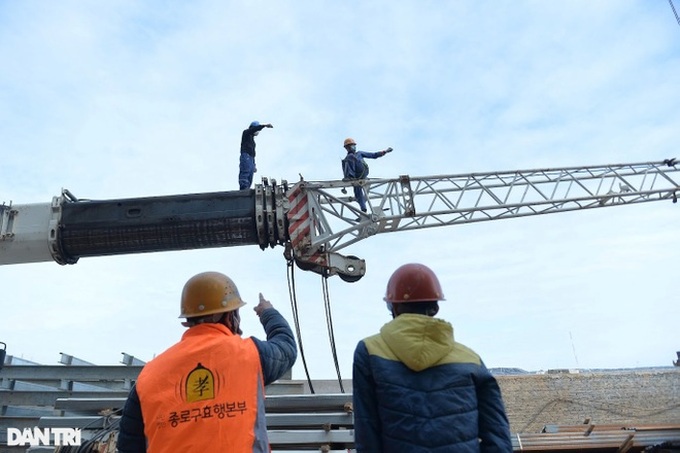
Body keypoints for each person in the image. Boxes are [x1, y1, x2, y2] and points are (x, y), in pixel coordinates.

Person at [117, 271, 297, 453]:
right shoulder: (250, 355)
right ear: (229, 317)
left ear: (187, 321)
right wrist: (268, 312)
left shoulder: (149, 375)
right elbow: (286, 347)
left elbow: (128, 446)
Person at [352, 263, 512, 453]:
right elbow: (497, 436)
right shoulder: (470, 360)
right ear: (435, 307)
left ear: (393, 306)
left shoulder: (370, 351)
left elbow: (366, 431)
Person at [341, 137, 392, 212]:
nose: (353, 147)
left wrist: (384, 152)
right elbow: (346, 167)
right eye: (351, 146)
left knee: (349, 157)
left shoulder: (359, 154)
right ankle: (363, 210)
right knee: (358, 193)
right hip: (357, 177)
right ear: (347, 148)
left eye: (353, 145)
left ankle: (350, 176)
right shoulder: (347, 159)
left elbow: (373, 155)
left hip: (362, 171)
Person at [239, 120, 273, 190]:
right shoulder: (246, 133)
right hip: (246, 156)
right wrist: (264, 126)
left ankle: (247, 187)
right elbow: (254, 129)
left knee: (250, 174)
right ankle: (243, 187)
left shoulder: (253, 141)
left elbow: (253, 153)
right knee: (246, 171)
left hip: (251, 158)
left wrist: (254, 164)